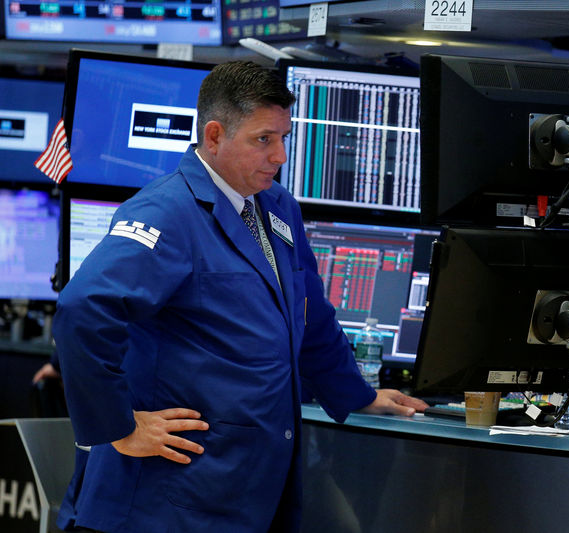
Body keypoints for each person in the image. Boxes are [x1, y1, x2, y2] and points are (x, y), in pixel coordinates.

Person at [52, 60, 428, 533]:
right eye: (263, 140)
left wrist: (356, 393)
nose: (281, 156)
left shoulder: (277, 206)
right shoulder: (166, 211)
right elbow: (82, 309)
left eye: (284, 138)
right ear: (214, 137)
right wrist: (119, 426)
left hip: (246, 486)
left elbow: (308, 317)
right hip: (167, 499)